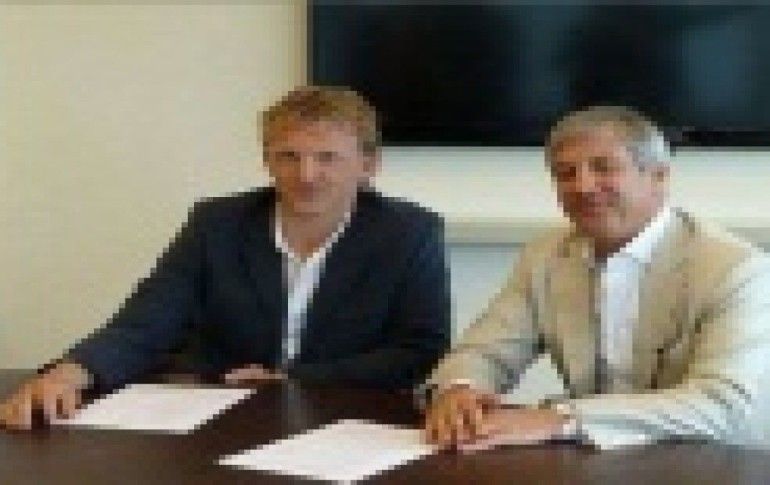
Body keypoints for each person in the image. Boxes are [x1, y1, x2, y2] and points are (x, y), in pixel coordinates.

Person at [0, 86, 451, 430]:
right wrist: (70, 374)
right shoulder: (217, 223)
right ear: (266, 161)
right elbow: (145, 323)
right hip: (219, 419)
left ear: (368, 166)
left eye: (327, 158)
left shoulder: (410, 233)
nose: (307, 175)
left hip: (347, 421)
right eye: (288, 156)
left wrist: (292, 377)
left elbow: (420, 351)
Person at [424, 106, 770, 451]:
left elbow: (720, 404)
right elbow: (487, 348)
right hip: (594, 459)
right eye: (566, 173)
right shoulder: (546, 255)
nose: (583, 186)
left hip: (709, 460)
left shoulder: (736, 268)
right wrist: (459, 388)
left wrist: (563, 418)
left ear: (658, 177)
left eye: (603, 168)